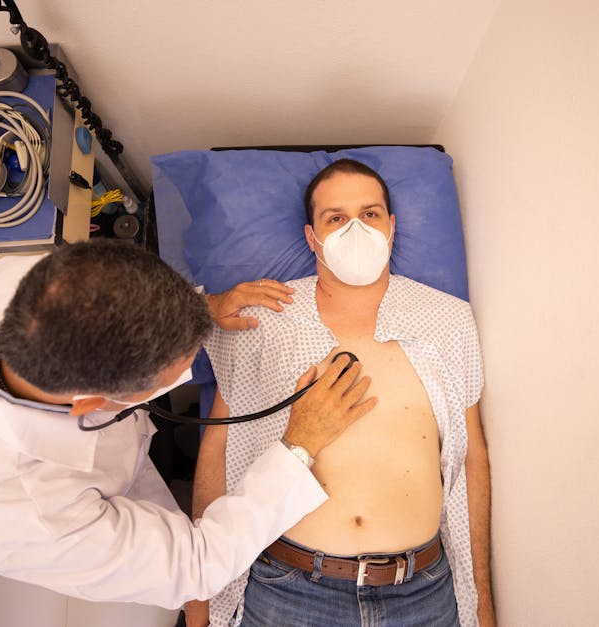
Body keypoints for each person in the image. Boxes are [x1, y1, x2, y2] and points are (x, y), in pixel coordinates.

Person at [0, 239, 376, 608]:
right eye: (177, 367)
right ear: (93, 402)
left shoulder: (16, 277)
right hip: (42, 511)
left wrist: (200, 310)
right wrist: (299, 445)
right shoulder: (34, 514)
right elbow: (197, 564)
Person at [187, 159, 495, 626]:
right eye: (336, 218)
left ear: (391, 227)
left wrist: (482, 604)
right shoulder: (263, 317)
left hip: (423, 594)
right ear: (312, 237)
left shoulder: (448, 320)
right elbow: (219, 450)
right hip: (289, 590)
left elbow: (472, 459)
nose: (356, 229)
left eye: (370, 214)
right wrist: (199, 602)